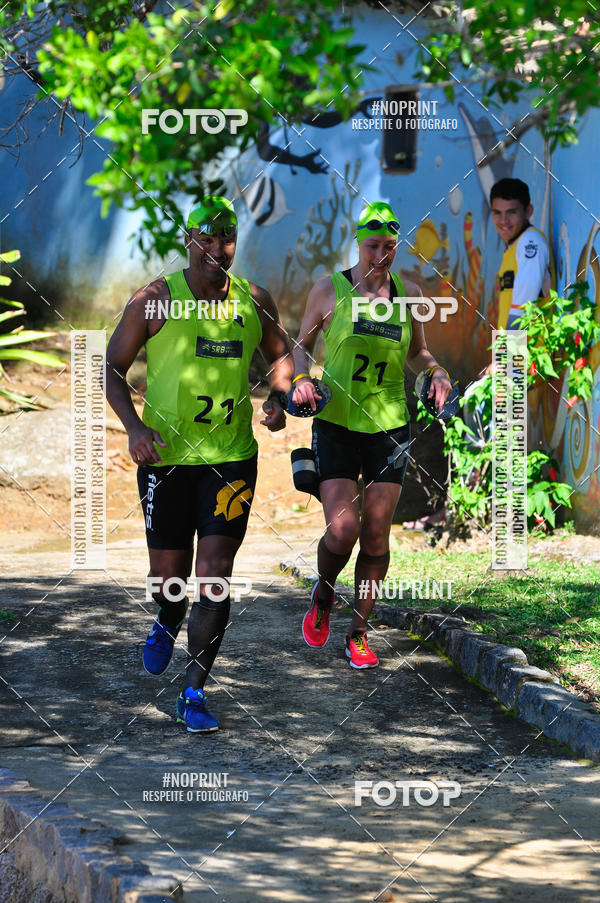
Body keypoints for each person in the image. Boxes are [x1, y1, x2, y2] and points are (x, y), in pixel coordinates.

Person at [105, 196, 292, 731]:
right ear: (188, 241)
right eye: (204, 239)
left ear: (236, 242)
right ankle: (166, 618)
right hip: (165, 459)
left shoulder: (253, 301)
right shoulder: (155, 301)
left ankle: (194, 690)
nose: (215, 249)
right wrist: (135, 429)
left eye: (224, 239)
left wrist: (278, 397)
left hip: (230, 459)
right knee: (169, 579)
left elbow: (280, 355)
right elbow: (113, 370)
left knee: (215, 576)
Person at [292, 201, 452, 668]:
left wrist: (437, 370)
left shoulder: (409, 292)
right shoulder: (329, 290)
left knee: (377, 535)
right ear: (358, 243)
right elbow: (301, 346)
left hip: (389, 425)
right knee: (343, 530)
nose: (380, 256)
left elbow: (419, 351)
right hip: (338, 422)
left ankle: (358, 631)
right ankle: (323, 594)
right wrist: (302, 379)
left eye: (388, 247)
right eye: (371, 246)